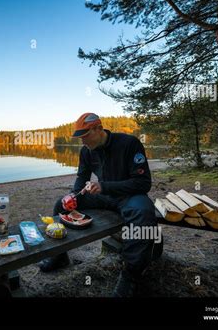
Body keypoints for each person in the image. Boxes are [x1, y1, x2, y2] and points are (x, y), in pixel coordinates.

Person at [38, 112, 159, 297]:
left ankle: (131, 275)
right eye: (80, 138)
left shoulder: (129, 143)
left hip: (129, 196)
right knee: (61, 205)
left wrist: (104, 186)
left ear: (98, 128)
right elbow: (82, 177)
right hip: (103, 196)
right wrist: (73, 195)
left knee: (144, 213)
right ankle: (60, 256)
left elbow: (143, 183)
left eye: (85, 136)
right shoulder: (86, 151)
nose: (82, 142)